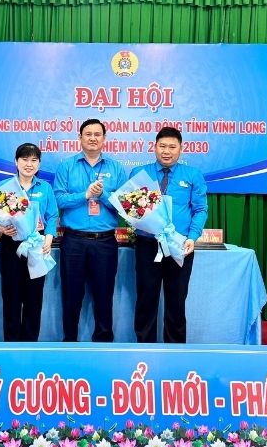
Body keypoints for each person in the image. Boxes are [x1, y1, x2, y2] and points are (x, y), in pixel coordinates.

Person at [131, 126, 208, 343]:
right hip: (148, 244)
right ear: (154, 147)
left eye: (172, 147)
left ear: (181, 149)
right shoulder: (140, 174)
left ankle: (176, 352)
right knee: (146, 299)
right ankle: (144, 349)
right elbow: (132, 209)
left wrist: (192, 237)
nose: (167, 151)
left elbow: (200, 209)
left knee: (176, 301)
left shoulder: (193, 175)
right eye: (162, 146)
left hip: (180, 245)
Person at [54, 118, 127, 342]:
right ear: (80, 138)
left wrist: (102, 195)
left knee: (104, 295)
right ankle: (69, 342)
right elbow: (59, 200)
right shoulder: (66, 166)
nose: (93, 138)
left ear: (104, 139)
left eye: (97, 134)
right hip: (73, 241)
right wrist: (85, 195)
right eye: (88, 134)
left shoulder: (116, 168)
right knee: (71, 295)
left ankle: (103, 343)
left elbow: (126, 205)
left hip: (105, 242)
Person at [0, 143, 58, 341]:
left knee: (34, 298)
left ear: (39, 164)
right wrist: (0, 228)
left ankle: (31, 345)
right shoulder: (4, 187)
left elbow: (53, 215)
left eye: (33, 160)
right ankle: (11, 346)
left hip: (37, 246)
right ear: (16, 161)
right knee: (11, 298)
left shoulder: (45, 188)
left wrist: (48, 238)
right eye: (24, 159)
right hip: (11, 246)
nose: (29, 164)